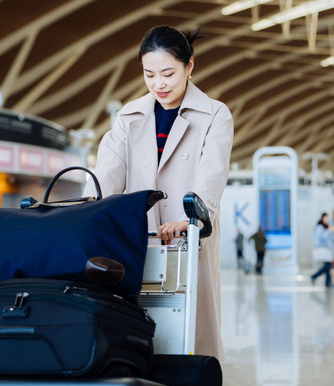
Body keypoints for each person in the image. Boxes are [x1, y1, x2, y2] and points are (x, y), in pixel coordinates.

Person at [88, 25, 233, 364]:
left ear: (189, 67)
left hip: (188, 237)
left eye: (168, 73)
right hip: (139, 238)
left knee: (187, 339)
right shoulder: (129, 117)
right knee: (140, 336)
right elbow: (106, 176)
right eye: (149, 74)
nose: (159, 84)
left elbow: (212, 172)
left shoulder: (214, 114)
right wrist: (89, 213)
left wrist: (193, 215)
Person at [310, 213, 334, 288]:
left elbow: (332, 237)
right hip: (323, 249)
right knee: (327, 265)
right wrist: (329, 231)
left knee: (328, 266)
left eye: (327, 218)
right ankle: (314, 276)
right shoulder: (319, 228)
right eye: (325, 218)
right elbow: (323, 237)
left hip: (327, 249)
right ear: (322, 218)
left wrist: (332, 231)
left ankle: (327, 283)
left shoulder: (327, 227)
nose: (327, 220)